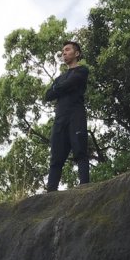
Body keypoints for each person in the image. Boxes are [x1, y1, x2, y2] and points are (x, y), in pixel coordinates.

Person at [45, 41, 90, 191]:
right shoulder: (60, 78)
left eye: (67, 50)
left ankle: (85, 189)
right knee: (56, 158)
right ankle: (50, 192)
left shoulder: (82, 71)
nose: (64, 53)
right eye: (62, 51)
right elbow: (48, 95)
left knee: (80, 152)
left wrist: (58, 89)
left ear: (76, 54)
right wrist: (60, 87)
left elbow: (69, 84)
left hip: (76, 116)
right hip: (60, 120)